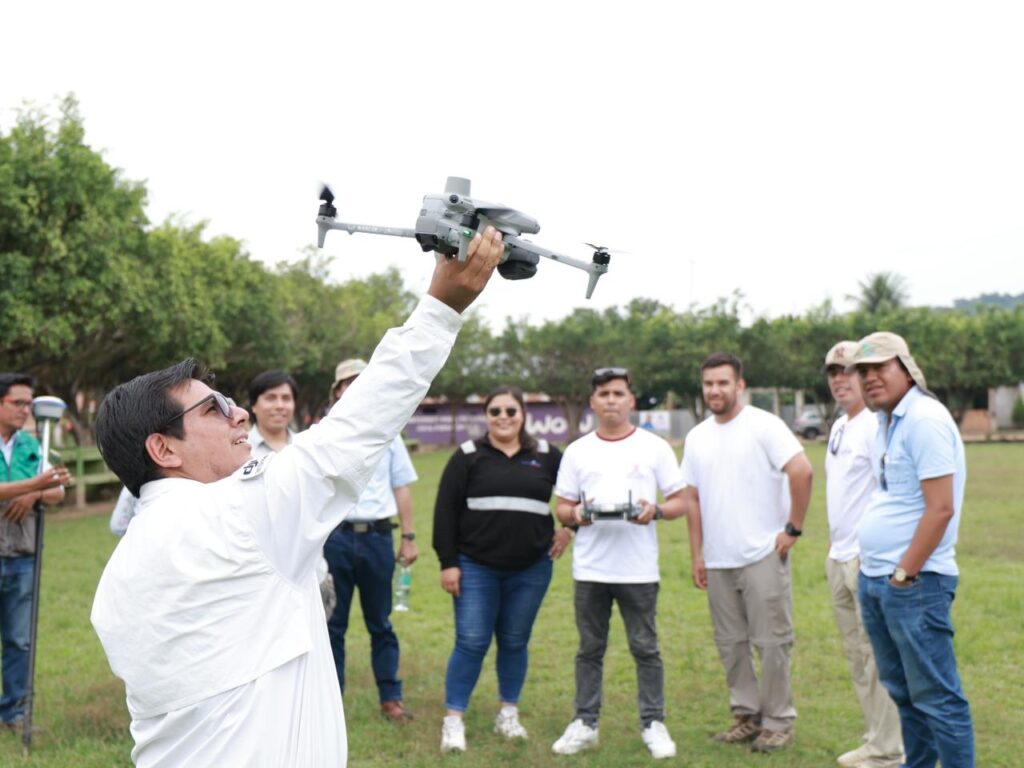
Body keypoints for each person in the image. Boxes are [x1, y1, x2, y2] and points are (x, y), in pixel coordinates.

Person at [89, 228, 505, 768]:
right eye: (214, 407)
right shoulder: (237, 515)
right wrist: (442, 306)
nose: (239, 413)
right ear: (163, 448)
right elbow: (354, 430)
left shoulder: (117, 578)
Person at [850, 332, 974, 768]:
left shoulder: (924, 419)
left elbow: (940, 509)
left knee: (938, 697)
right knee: (904, 692)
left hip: (914, 583)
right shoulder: (888, 421)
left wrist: (904, 573)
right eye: (862, 371)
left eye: (879, 367)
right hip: (879, 580)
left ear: (905, 367)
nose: (869, 378)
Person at [551, 367, 686, 760]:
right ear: (593, 402)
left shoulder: (654, 447)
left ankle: (653, 722)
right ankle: (585, 722)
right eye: (604, 394)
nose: (611, 400)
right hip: (591, 569)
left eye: (618, 393)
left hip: (638, 569)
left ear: (631, 400)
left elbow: (680, 501)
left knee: (646, 648)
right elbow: (562, 505)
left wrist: (654, 510)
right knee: (589, 649)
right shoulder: (578, 450)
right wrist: (577, 515)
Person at [681, 352, 812, 754]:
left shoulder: (764, 426)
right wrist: (697, 554)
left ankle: (778, 721)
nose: (715, 390)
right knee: (731, 643)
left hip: (761, 554)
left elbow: (802, 470)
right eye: (708, 384)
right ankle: (746, 715)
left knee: (772, 643)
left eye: (723, 382)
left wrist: (792, 529)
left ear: (740, 385)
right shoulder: (697, 436)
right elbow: (691, 498)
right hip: (719, 559)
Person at [432, 386, 569, 752]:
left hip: (531, 569)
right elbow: (444, 512)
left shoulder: (547, 455)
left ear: (523, 414)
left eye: (511, 411)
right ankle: (453, 721)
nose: (503, 417)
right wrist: (449, 564)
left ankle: (508, 713)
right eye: (495, 412)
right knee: (471, 641)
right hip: (475, 567)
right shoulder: (467, 456)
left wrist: (569, 528)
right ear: (486, 416)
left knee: (514, 641)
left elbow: (575, 496)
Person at [324, 358, 418, 723]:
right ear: (337, 391)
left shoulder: (389, 432)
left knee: (381, 623)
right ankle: (330, 702)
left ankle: (390, 698)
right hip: (335, 538)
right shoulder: (325, 432)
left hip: (378, 537)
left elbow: (402, 488)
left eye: (362, 381)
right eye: (348, 382)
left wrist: (408, 537)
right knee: (333, 625)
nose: (355, 387)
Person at [822, 341, 903, 768]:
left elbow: (891, 491)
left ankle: (889, 749)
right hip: (839, 556)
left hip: (867, 559)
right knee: (857, 656)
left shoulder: (876, 427)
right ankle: (875, 734)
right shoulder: (840, 427)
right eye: (833, 372)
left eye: (848, 371)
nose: (840, 379)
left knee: (877, 656)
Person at [0, 373, 69, 729]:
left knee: (19, 640)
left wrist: (35, 493)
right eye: (18, 403)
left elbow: (57, 491)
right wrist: (32, 485)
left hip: (24, 555)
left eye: (29, 403)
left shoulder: (34, 444)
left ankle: (12, 712)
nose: (26, 410)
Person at [248, 370, 337, 616]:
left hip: (311, 574)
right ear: (254, 405)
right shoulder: (237, 451)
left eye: (286, 398)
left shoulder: (308, 450)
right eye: (270, 398)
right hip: (257, 579)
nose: (279, 405)